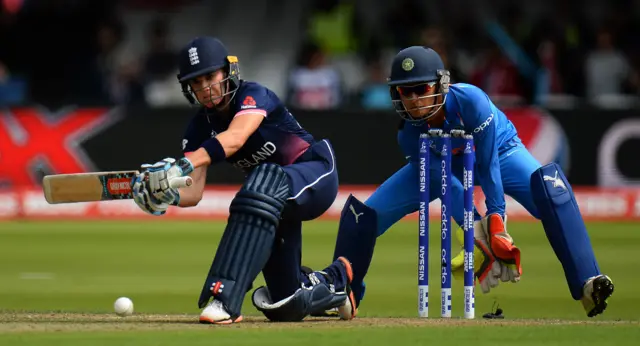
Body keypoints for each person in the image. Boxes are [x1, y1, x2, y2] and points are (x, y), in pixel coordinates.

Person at [329, 46, 614, 318]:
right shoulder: (409, 135)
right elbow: (447, 185)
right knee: (361, 217)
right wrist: (476, 231)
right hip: (440, 165)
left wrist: (497, 222)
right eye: (406, 91)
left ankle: (588, 281)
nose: (414, 99)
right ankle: (342, 292)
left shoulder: (472, 102)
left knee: (552, 186)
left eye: (422, 89)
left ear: (440, 84)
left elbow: (488, 162)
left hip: (500, 153)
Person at [129, 36, 357, 324]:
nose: (205, 88)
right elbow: (194, 192)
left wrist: (182, 165)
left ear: (228, 71)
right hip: (270, 200)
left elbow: (235, 138)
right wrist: (166, 193)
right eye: (196, 83)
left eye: (210, 76)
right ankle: (335, 281)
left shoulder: (253, 95)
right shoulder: (198, 128)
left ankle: (225, 299)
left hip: (314, 172)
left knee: (260, 182)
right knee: (286, 304)